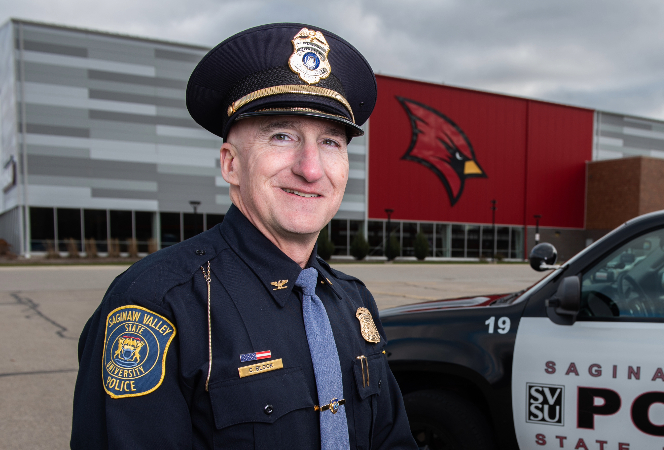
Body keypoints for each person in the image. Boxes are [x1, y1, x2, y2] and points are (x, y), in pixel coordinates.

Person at [71, 23, 416, 449]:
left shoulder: (352, 301)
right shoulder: (156, 304)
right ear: (231, 164)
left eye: (330, 142)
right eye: (282, 135)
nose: (310, 169)